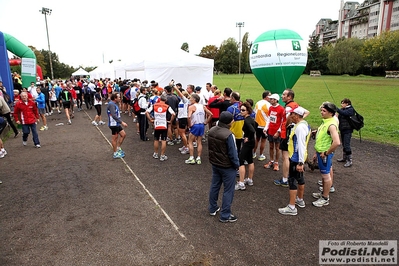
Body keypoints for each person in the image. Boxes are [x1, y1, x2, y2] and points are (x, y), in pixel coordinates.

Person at [278, 107, 311, 215]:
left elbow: (300, 145)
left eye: (292, 114)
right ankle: (300, 200)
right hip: (299, 157)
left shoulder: (300, 128)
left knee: (292, 180)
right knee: (300, 179)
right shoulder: (304, 124)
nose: (290, 116)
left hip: (296, 158)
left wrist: (300, 162)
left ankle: (292, 207)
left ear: (297, 116)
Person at [208, 111, 240, 223]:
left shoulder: (212, 130)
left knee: (215, 185)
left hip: (215, 163)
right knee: (228, 190)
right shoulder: (229, 135)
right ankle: (225, 214)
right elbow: (233, 153)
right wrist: (237, 165)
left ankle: (212, 207)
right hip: (227, 166)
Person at [274, 89, 309, 187]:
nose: (282, 96)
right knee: (289, 156)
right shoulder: (295, 105)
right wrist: (297, 122)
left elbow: (286, 120)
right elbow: (307, 112)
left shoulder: (289, 107)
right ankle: (291, 177)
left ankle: (285, 179)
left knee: (285, 157)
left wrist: (283, 129)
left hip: (286, 134)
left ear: (290, 97)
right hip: (290, 132)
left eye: (284, 94)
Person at [312, 102, 341, 207]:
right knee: (325, 174)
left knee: (325, 175)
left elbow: (337, 142)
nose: (321, 112)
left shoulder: (331, 125)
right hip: (321, 152)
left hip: (324, 154)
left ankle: (325, 197)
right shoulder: (327, 121)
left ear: (331, 113)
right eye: (321, 110)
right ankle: (323, 192)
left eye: (324, 111)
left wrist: (326, 153)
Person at [146, 94, 176, 161]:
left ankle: (156, 153)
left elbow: (146, 112)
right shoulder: (167, 106)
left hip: (157, 124)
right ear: (166, 100)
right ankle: (162, 155)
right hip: (164, 124)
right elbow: (173, 114)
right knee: (163, 140)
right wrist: (170, 121)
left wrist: (150, 119)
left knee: (156, 139)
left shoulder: (154, 105)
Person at [185, 94, 213, 165]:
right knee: (199, 142)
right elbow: (211, 114)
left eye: (191, 98)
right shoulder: (202, 106)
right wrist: (206, 122)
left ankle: (191, 158)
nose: (190, 99)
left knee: (190, 141)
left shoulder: (191, 107)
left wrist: (189, 124)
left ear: (194, 99)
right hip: (201, 125)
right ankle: (198, 158)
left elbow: (188, 117)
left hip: (195, 125)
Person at [235, 102, 256, 191]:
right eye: (241, 109)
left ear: (248, 111)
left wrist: (247, 137)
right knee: (250, 160)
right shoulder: (251, 119)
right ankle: (250, 179)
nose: (241, 111)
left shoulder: (247, 121)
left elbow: (252, 130)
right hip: (252, 142)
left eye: (243, 110)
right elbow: (256, 125)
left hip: (248, 143)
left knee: (240, 161)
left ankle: (241, 183)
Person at [263, 94, 285, 171]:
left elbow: (282, 121)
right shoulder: (271, 108)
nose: (270, 100)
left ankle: (276, 162)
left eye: (272, 99)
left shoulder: (281, 109)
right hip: (270, 131)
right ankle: (271, 161)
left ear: (276, 100)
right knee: (271, 146)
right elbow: (269, 119)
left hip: (277, 132)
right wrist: (266, 128)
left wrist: (278, 132)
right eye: (270, 99)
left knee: (277, 148)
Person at [107, 92, 128, 159]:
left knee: (123, 134)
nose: (120, 98)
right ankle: (115, 153)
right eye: (118, 97)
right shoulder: (111, 105)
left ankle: (118, 148)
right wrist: (122, 122)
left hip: (117, 124)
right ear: (115, 98)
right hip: (114, 124)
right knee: (114, 138)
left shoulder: (114, 104)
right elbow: (113, 115)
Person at [336, 98, 355, 167]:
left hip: (348, 130)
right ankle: (344, 158)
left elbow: (344, 113)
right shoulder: (342, 110)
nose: (341, 104)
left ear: (347, 104)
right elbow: (340, 116)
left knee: (347, 145)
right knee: (344, 144)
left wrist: (337, 109)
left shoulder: (351, 110)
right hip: (342, 129)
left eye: (343, 103)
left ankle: (349, 160)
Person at [253, 91, 271, 161]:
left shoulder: (258, 103)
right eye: (270, 96)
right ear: (266, 97)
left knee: (257, 139)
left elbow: (255, 112)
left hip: (257, 125)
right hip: (264, 126)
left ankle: (253, 153)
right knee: (263, 141)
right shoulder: (268, 105)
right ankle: (260, 155)